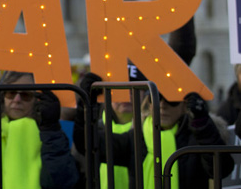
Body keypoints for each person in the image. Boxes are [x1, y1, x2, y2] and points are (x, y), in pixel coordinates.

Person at [74, 72, 233, 189]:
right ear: (148, 103)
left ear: (185, 105)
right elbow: (88, 145)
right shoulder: (136, 138)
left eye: (171, 100)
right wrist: (86, 106)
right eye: (156, 98)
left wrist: (202, 124)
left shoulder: (196, 138)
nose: (162, 105)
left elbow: (221, 169)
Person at [0, 71, 79, 189]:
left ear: (37, 99)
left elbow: (62, 182)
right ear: (3, 97)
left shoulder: (49, 134)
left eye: (26, 94)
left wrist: (51, 130)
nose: (17, 99)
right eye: (11, 93)